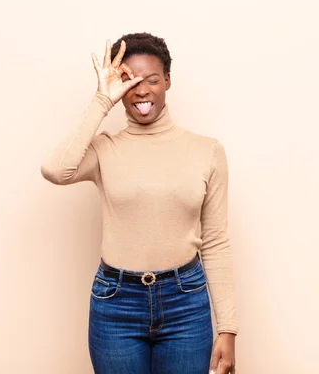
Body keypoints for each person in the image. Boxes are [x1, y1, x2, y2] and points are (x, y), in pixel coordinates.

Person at [41, 32, 238, 374]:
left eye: (152, 80)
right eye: (130, 81)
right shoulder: (105, 149)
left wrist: (228, 328)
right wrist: (103, 99)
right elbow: (56, 170)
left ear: (167, 81)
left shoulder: (207, 151)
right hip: (116, 304)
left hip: (186, 304)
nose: (142, 90)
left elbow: (217, 241)